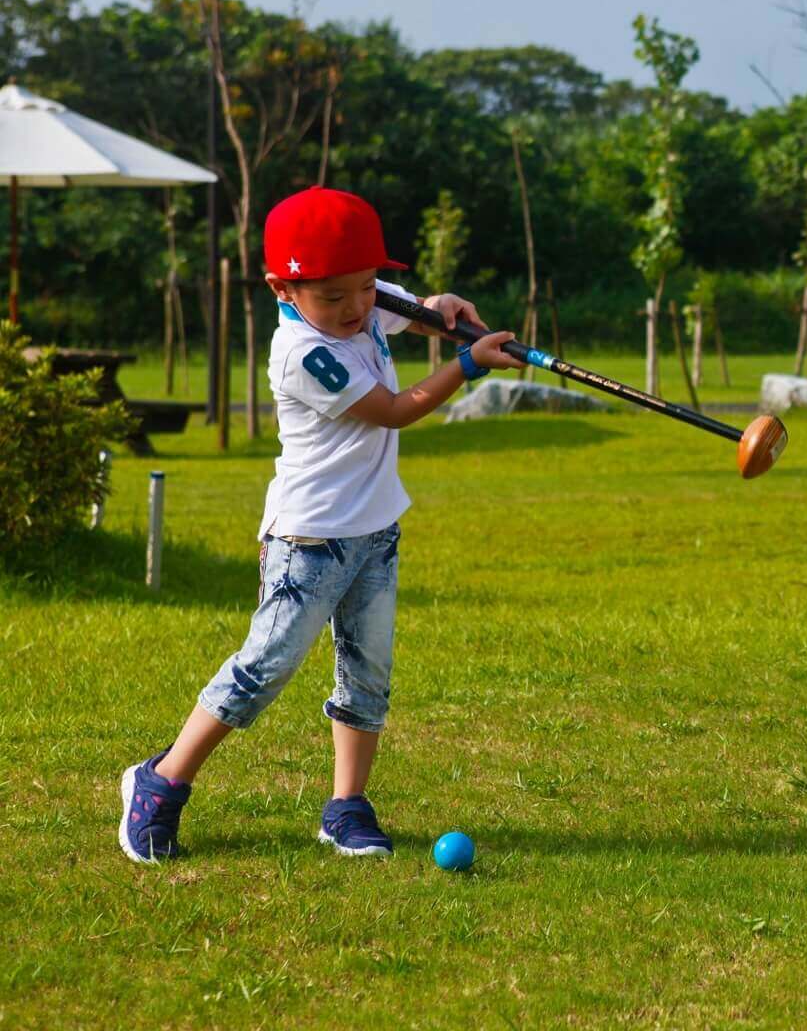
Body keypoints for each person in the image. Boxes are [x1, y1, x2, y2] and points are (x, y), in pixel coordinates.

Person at [117, 187, 523, 863]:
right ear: (284, 287)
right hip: (308, 542)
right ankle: (160, 781)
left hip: (375, 532)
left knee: (367, 677)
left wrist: (441, 310)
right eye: (335, 297)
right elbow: (392, 409)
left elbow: (411, 316)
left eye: (367, 287)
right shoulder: (302, 351)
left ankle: (346, 807)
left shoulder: (360, 310)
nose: (358, 307)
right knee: (264, 669)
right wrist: (469, 364)